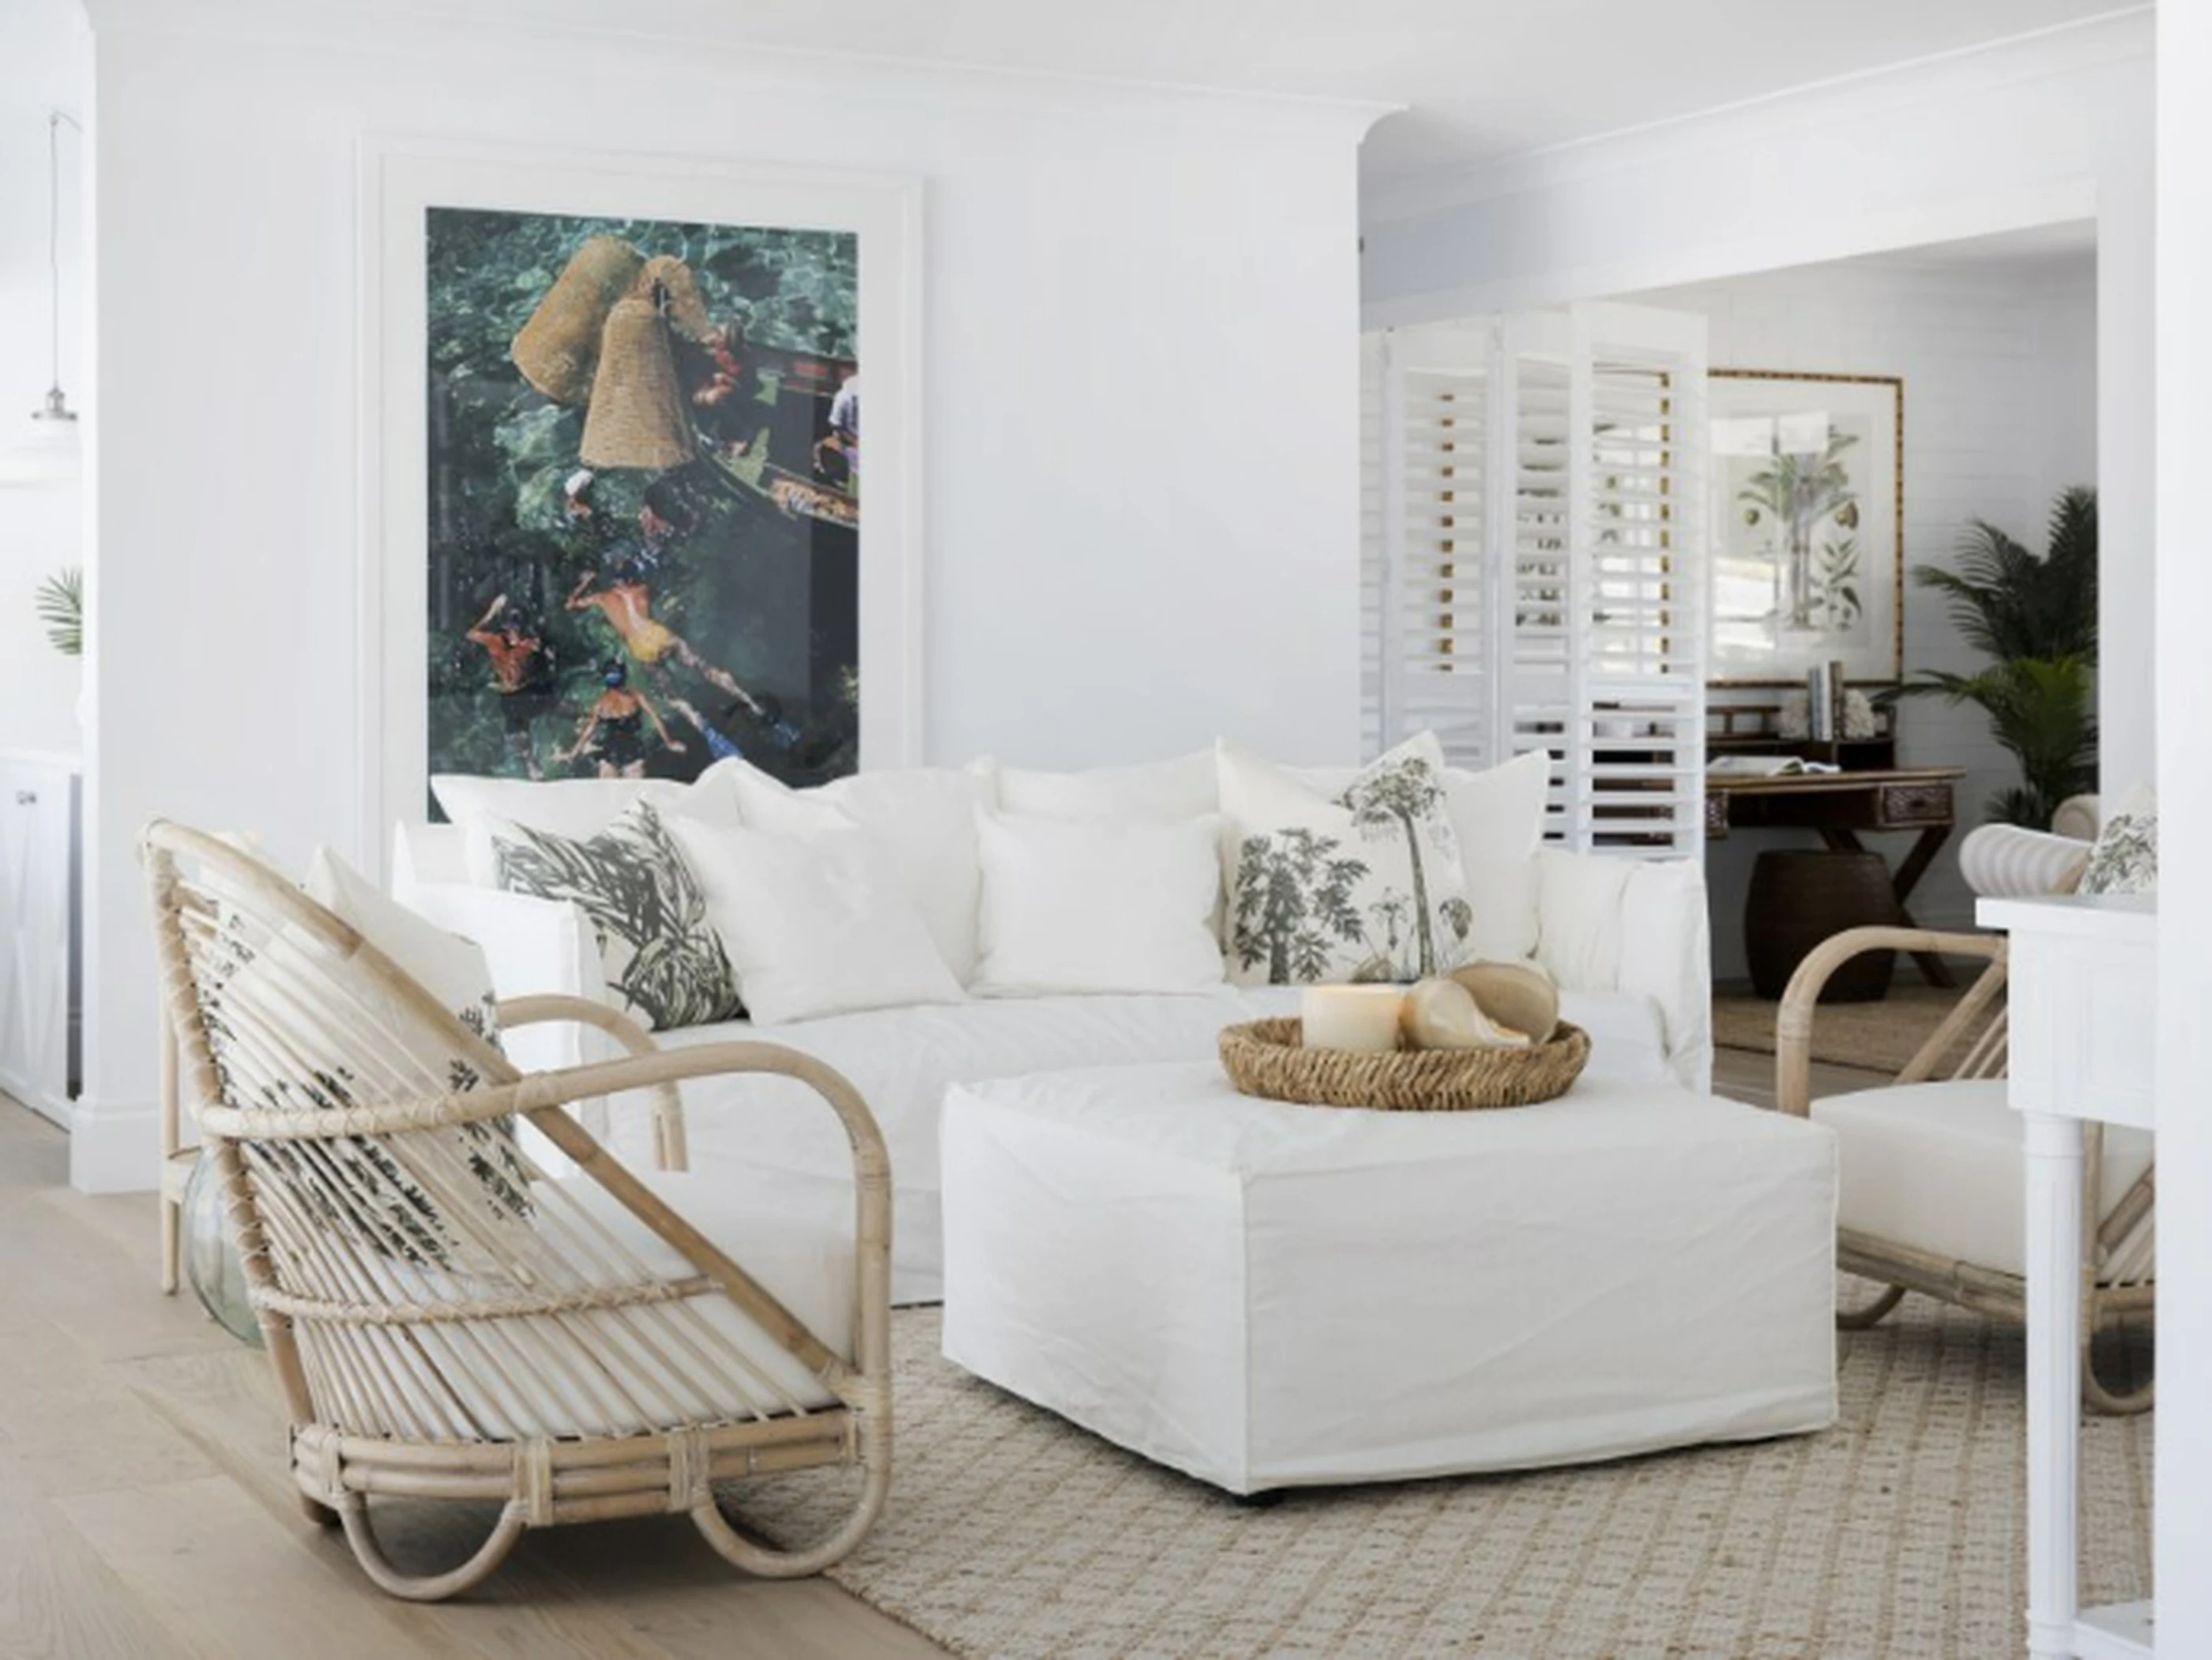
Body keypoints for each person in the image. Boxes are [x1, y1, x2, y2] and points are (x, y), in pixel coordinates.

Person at [464, 593, 553, 778]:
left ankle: (535, 758)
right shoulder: (496, 642)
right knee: (516, 734)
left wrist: (543, 649)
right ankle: (528, 762)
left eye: (518, 627)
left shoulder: (528, 645)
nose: (515, 632)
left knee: (523, 726)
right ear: (506, 627)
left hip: (527, 691)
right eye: (513, 628)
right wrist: (492, 611)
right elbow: (470, 634)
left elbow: (543, 652)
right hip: (510, 694)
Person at [557, 660, 683, 778]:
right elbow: (655, 718)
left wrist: (572, 754)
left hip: (610, 751)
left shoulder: (601, 704)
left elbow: (588, 731)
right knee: (634, 791)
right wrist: (669, 742)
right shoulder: (635, 697)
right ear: (624, 677)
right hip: (633, 750)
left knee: (608, 792)